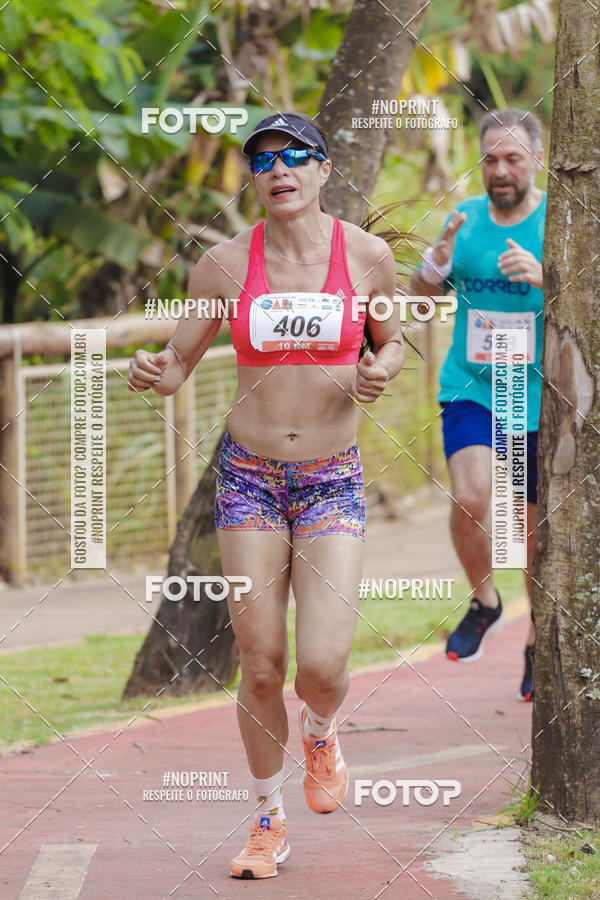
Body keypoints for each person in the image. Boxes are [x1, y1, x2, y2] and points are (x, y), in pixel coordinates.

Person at [127, 112, 405, 879]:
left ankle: (320, 727)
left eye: (296, 156)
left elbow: (392, 343)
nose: (279, 169)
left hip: (330, 479)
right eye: (263, 160)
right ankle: (266, 822)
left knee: (320, 663)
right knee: (259, 664)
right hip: (248, 476)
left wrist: (383, 371)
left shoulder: (367, 256)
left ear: (323, 170)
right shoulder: (220, 266)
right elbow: (180, 361)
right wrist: (155, 371)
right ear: (252, 180)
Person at [410, 108, 546, 701]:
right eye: (490, 157)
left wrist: (548, 278)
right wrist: (434, 266)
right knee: (469, 497)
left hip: (540, 395)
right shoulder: (461, 220)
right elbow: (420, 295)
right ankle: (486, 601)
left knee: (532, 536)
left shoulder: (559, 221)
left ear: (536, 160)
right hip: (473, 386)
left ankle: (540, 641)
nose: (500, 169)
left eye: (513, 157)